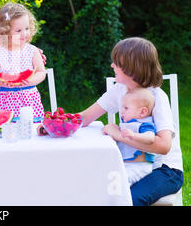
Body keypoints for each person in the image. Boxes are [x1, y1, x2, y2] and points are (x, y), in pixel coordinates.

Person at [38, 37, 183, 206]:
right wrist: (55, 124)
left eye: (116, 63)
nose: (112, 66)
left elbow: (163, 146)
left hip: (164, 170)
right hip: (131, 165)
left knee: (129, 199)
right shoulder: (120, 90)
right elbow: (85, 117)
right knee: (94, 191)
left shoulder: (157, 97)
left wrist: (120, 136)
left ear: (132, 68)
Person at [0, 2, 46, 122]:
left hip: (29, 101)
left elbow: (41, 72)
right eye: (18, 30)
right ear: (5, 32)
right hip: (4, 101)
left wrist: (30, 81)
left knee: (30, 131)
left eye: (27, 28)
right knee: (5, 132)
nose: (24, 33)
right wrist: (2, 82)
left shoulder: (32, 50)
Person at [116, 88, 157, 186]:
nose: (122, 111)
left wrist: (134, 135)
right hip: (125, 164)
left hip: (139, 166)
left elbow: (150, 138)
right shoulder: (127, 123)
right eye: (122, 107)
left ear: (142, 112)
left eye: (126, 108)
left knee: (121, 182)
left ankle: (123, 200)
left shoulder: (144, 124)